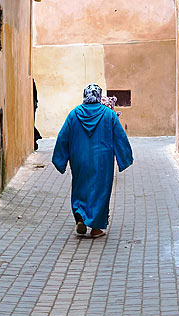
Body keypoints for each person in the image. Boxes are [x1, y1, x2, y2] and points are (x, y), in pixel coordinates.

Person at [52, 84, 133, 238]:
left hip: (79, 160)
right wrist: (125, 158)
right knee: (100, 190)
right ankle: (96, 228)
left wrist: (60, 160)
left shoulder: (74, 114)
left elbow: (63, 137)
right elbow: (120, 137)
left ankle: (80, 215)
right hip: (102, 161)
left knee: (80, 186)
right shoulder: (109, 115)